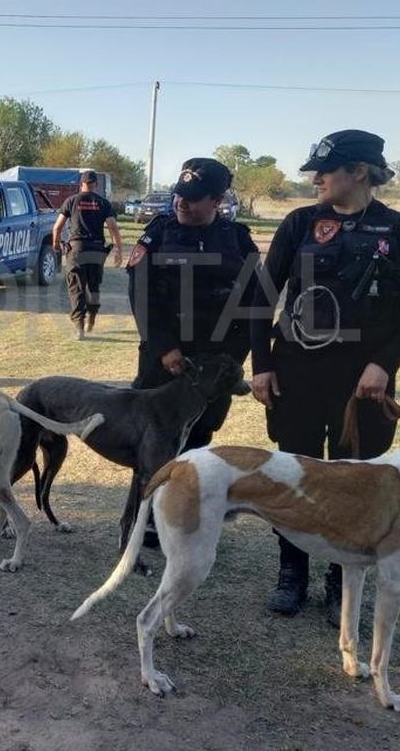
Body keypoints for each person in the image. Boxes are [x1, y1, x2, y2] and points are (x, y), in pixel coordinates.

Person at [251, 129, 400, 624]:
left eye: (325, 170)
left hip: (364, 382)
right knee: (293, 475)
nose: (315, 178)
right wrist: (262, 364)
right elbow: (261, 301)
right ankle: (292, 574)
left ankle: (341, 583)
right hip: (297, 372)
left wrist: (384, 364)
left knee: (356, 482)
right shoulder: (299, 224)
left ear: (358, 172)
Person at [125, 157, 260, 547]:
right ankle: (142, 518)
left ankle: (181, 513)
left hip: (216, 361)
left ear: (218, 200)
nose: (182, 203)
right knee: (153, 436)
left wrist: (232, 358)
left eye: (195, 198)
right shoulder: (156, 234)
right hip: (162, 359)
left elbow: (254, 300)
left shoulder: (237, 240)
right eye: (180, 195)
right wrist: (165, 347)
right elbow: (142, 295)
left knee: (199, 434)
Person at [51, 170, 123, 340]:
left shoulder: (71, 201)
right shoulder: (103, 203)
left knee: (76, 288)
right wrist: (118, 249)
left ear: (81, 184)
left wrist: (56, 245)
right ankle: (92, 315)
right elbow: (113, 227)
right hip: (97, 251)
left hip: (77, 250)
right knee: (94, 286)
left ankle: (79, 328)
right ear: (95, 185)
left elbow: (57, 227)